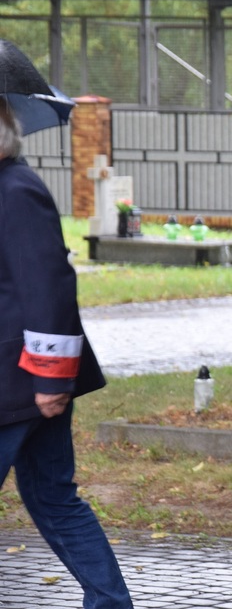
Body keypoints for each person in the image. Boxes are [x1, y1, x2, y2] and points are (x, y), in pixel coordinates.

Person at [0, 99, 134, 609]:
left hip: (24, 383)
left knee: (54, 498)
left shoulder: (16, 190)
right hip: (23, 384)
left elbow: (50, 285)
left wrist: (52, 378)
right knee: (53, 499)